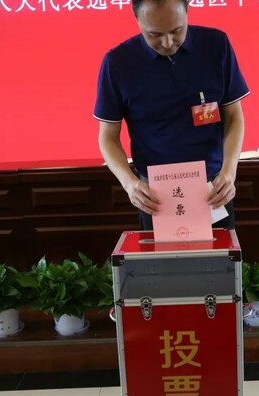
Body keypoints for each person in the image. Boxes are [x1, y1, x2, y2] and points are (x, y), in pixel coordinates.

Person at [94, 0, 249, 230]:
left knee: (220, 253)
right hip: (155, 194)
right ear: (137, 19)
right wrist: (129, 183)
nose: (167, 43)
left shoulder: (216, 46)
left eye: (177, 30)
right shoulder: (118, 63)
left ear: (187, 12)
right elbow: (108, 137)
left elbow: (233, 116)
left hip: (214, 187)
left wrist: (229, 171)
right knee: (160, 255)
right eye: (154, 35)